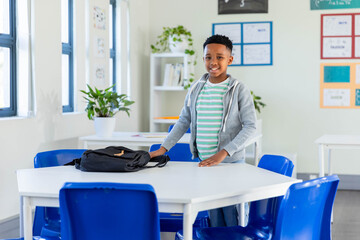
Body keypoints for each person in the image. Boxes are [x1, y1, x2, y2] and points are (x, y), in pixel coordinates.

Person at [149, 34, 257, 227]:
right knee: (214, 217)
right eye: (208, 57)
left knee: (233, 218)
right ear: (203, 59)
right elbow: (183, 121)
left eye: (219, 57)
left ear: (230, 60)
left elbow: (250, 126)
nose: (213, 62)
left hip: (230, 164)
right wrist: (162, 149)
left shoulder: (239, 89)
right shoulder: (196, 88)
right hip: (205, 165)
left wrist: (223, 153)